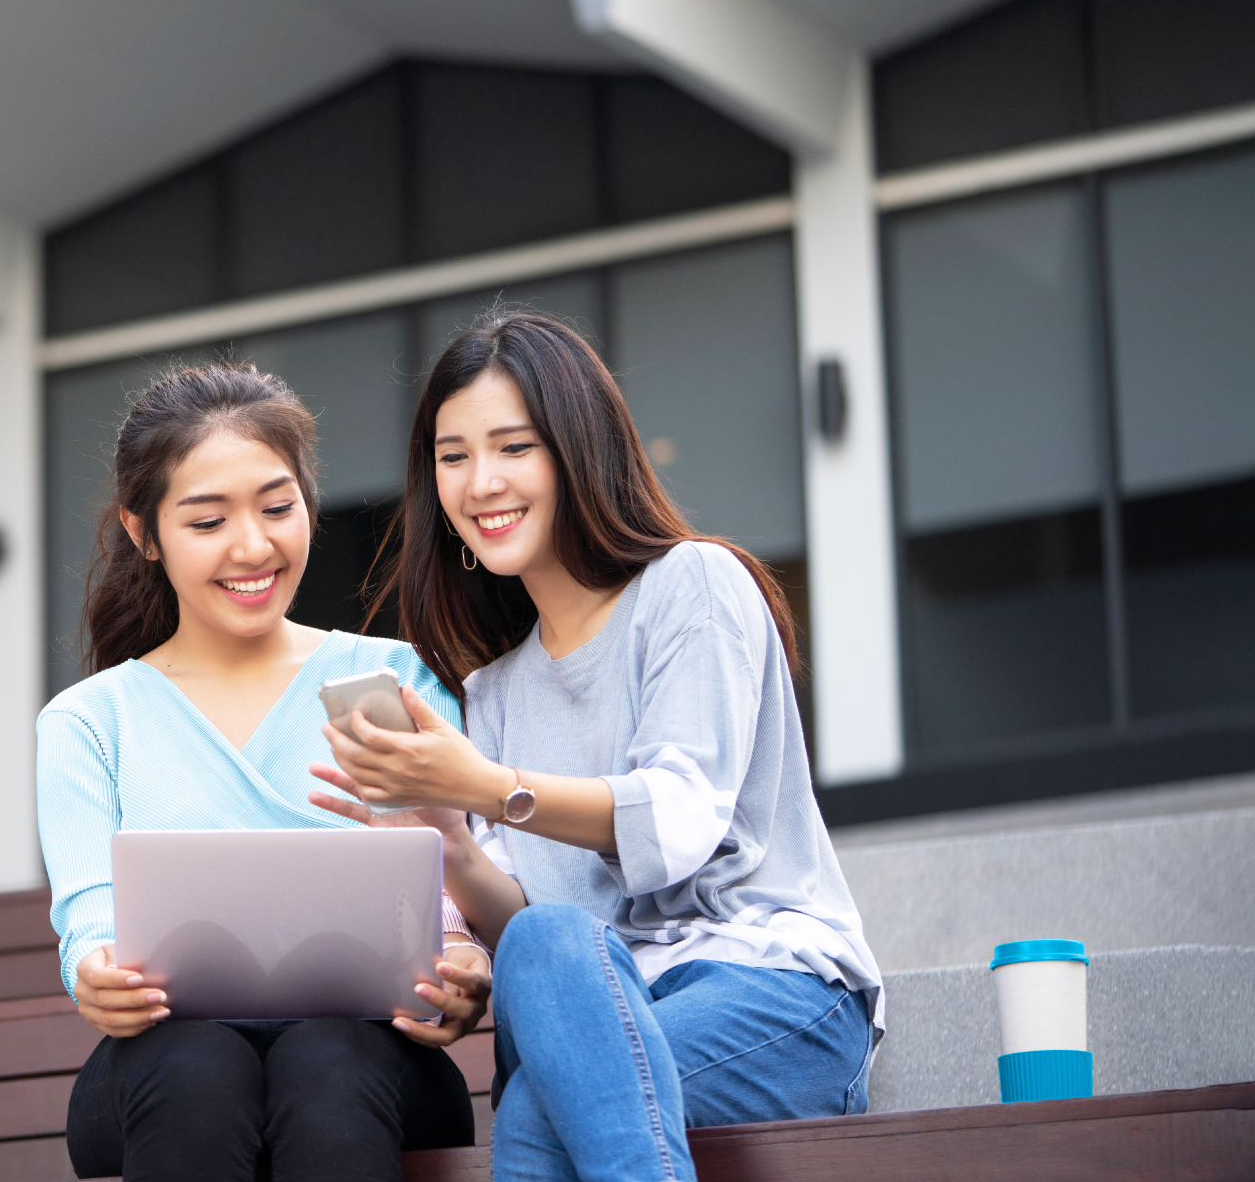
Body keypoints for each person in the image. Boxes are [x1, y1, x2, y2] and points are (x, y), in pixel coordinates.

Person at [308, 313, 882, 1182]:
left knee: (545, 1099)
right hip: (596, 1008)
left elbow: (682, 817)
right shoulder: (495, 692)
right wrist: (453, 842)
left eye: (513, 447)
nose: (481, 482)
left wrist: (494, 787)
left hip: (768, 993)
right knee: (543, 944)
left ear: (579, 451)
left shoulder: (695, 585)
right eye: (453, 455)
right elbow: (533, 925)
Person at [38, 362, 490, 1182]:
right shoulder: (89, 722)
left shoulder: (397, 681)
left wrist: (457, 962)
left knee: (326, 1060)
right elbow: (91, 921)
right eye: (208, 521)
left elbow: (448, 875)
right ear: (145, 535)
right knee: (197, 1066)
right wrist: (96, 974)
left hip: (369, 1060)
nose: (254, 546)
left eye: (278, 508)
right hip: (163, 1072)